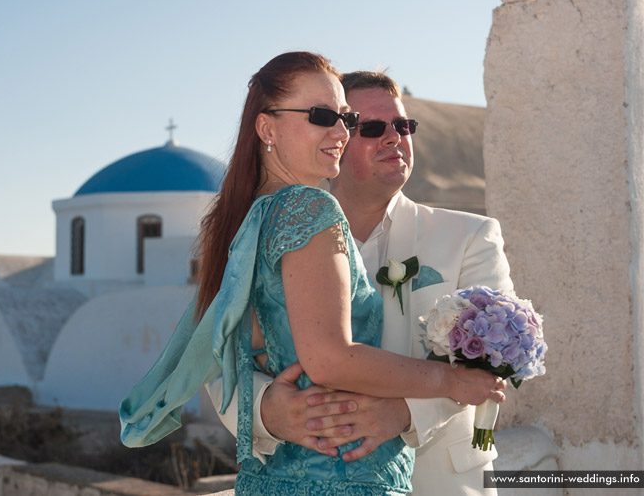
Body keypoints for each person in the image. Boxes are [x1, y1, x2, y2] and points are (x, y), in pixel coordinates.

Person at [120, 53, 505, 495]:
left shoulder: (251, 220)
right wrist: (264, 409)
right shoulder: (308, 210)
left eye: (345, 118)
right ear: (267, 128)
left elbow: (495, 361)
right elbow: (313, 358)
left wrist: (402, 411)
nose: (342, 130)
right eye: (337, 119)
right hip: (343, 479)